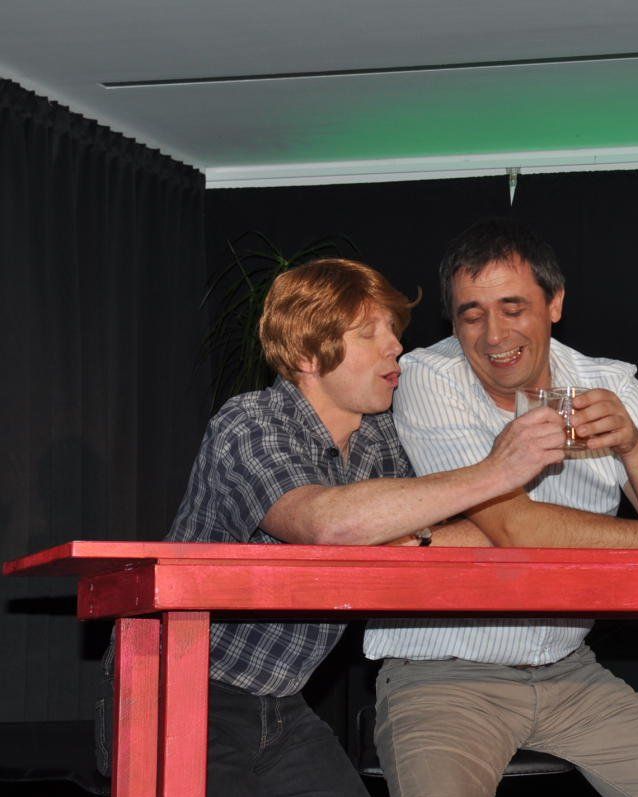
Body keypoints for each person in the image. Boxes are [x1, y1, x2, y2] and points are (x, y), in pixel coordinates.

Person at [100, 258, 568, 796]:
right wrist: (495, 473)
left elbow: (469, 533)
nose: (395, 346)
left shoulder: (378, 439)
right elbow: (325, 524)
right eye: (369, 333)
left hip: (281, 704)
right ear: (306, 355)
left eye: (393, 329)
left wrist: (410, 532)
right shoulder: (249, 422)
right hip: (176, 690)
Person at [364, 218, 638, 797]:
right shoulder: (431, 377)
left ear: (555, 303)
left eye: (513, 308)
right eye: (471, 315)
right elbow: (516, 527)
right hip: (441, 676)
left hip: (569, 671)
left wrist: (635, 448)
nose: (493, 334)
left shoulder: (610, 383)